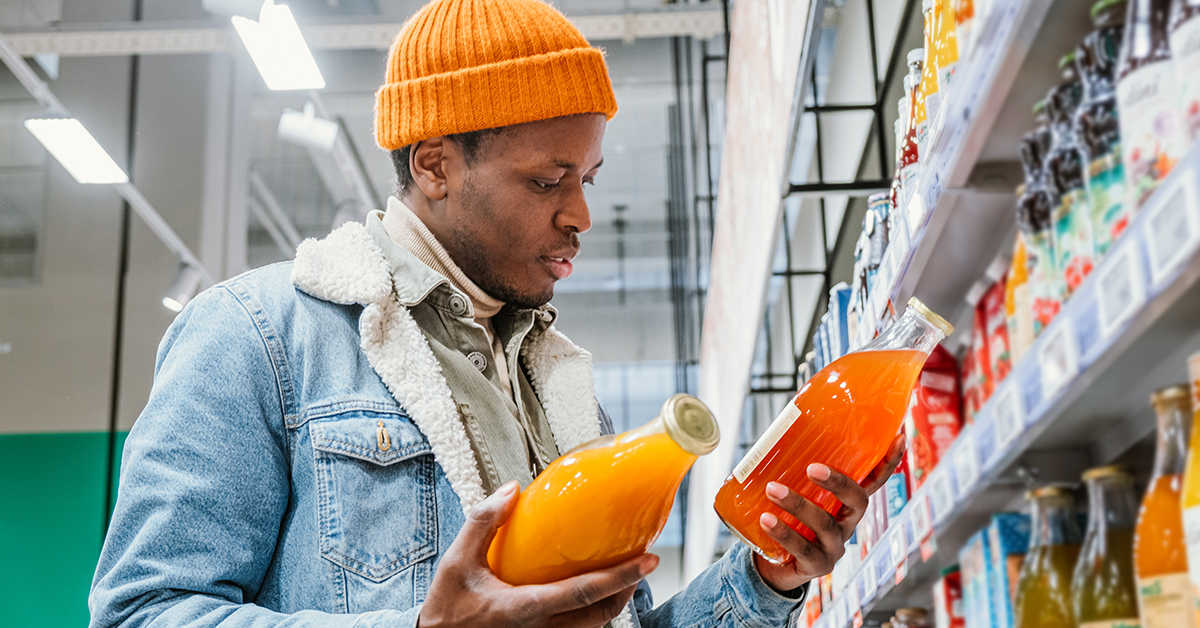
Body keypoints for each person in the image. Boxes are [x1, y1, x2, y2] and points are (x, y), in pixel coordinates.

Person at [88, 0, 905, 626]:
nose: (581, 214)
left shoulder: (558, 386)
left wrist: (768, 574)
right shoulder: (256, 336)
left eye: (589, 177)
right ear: (436, 165)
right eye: (549, 181)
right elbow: (143, 612)